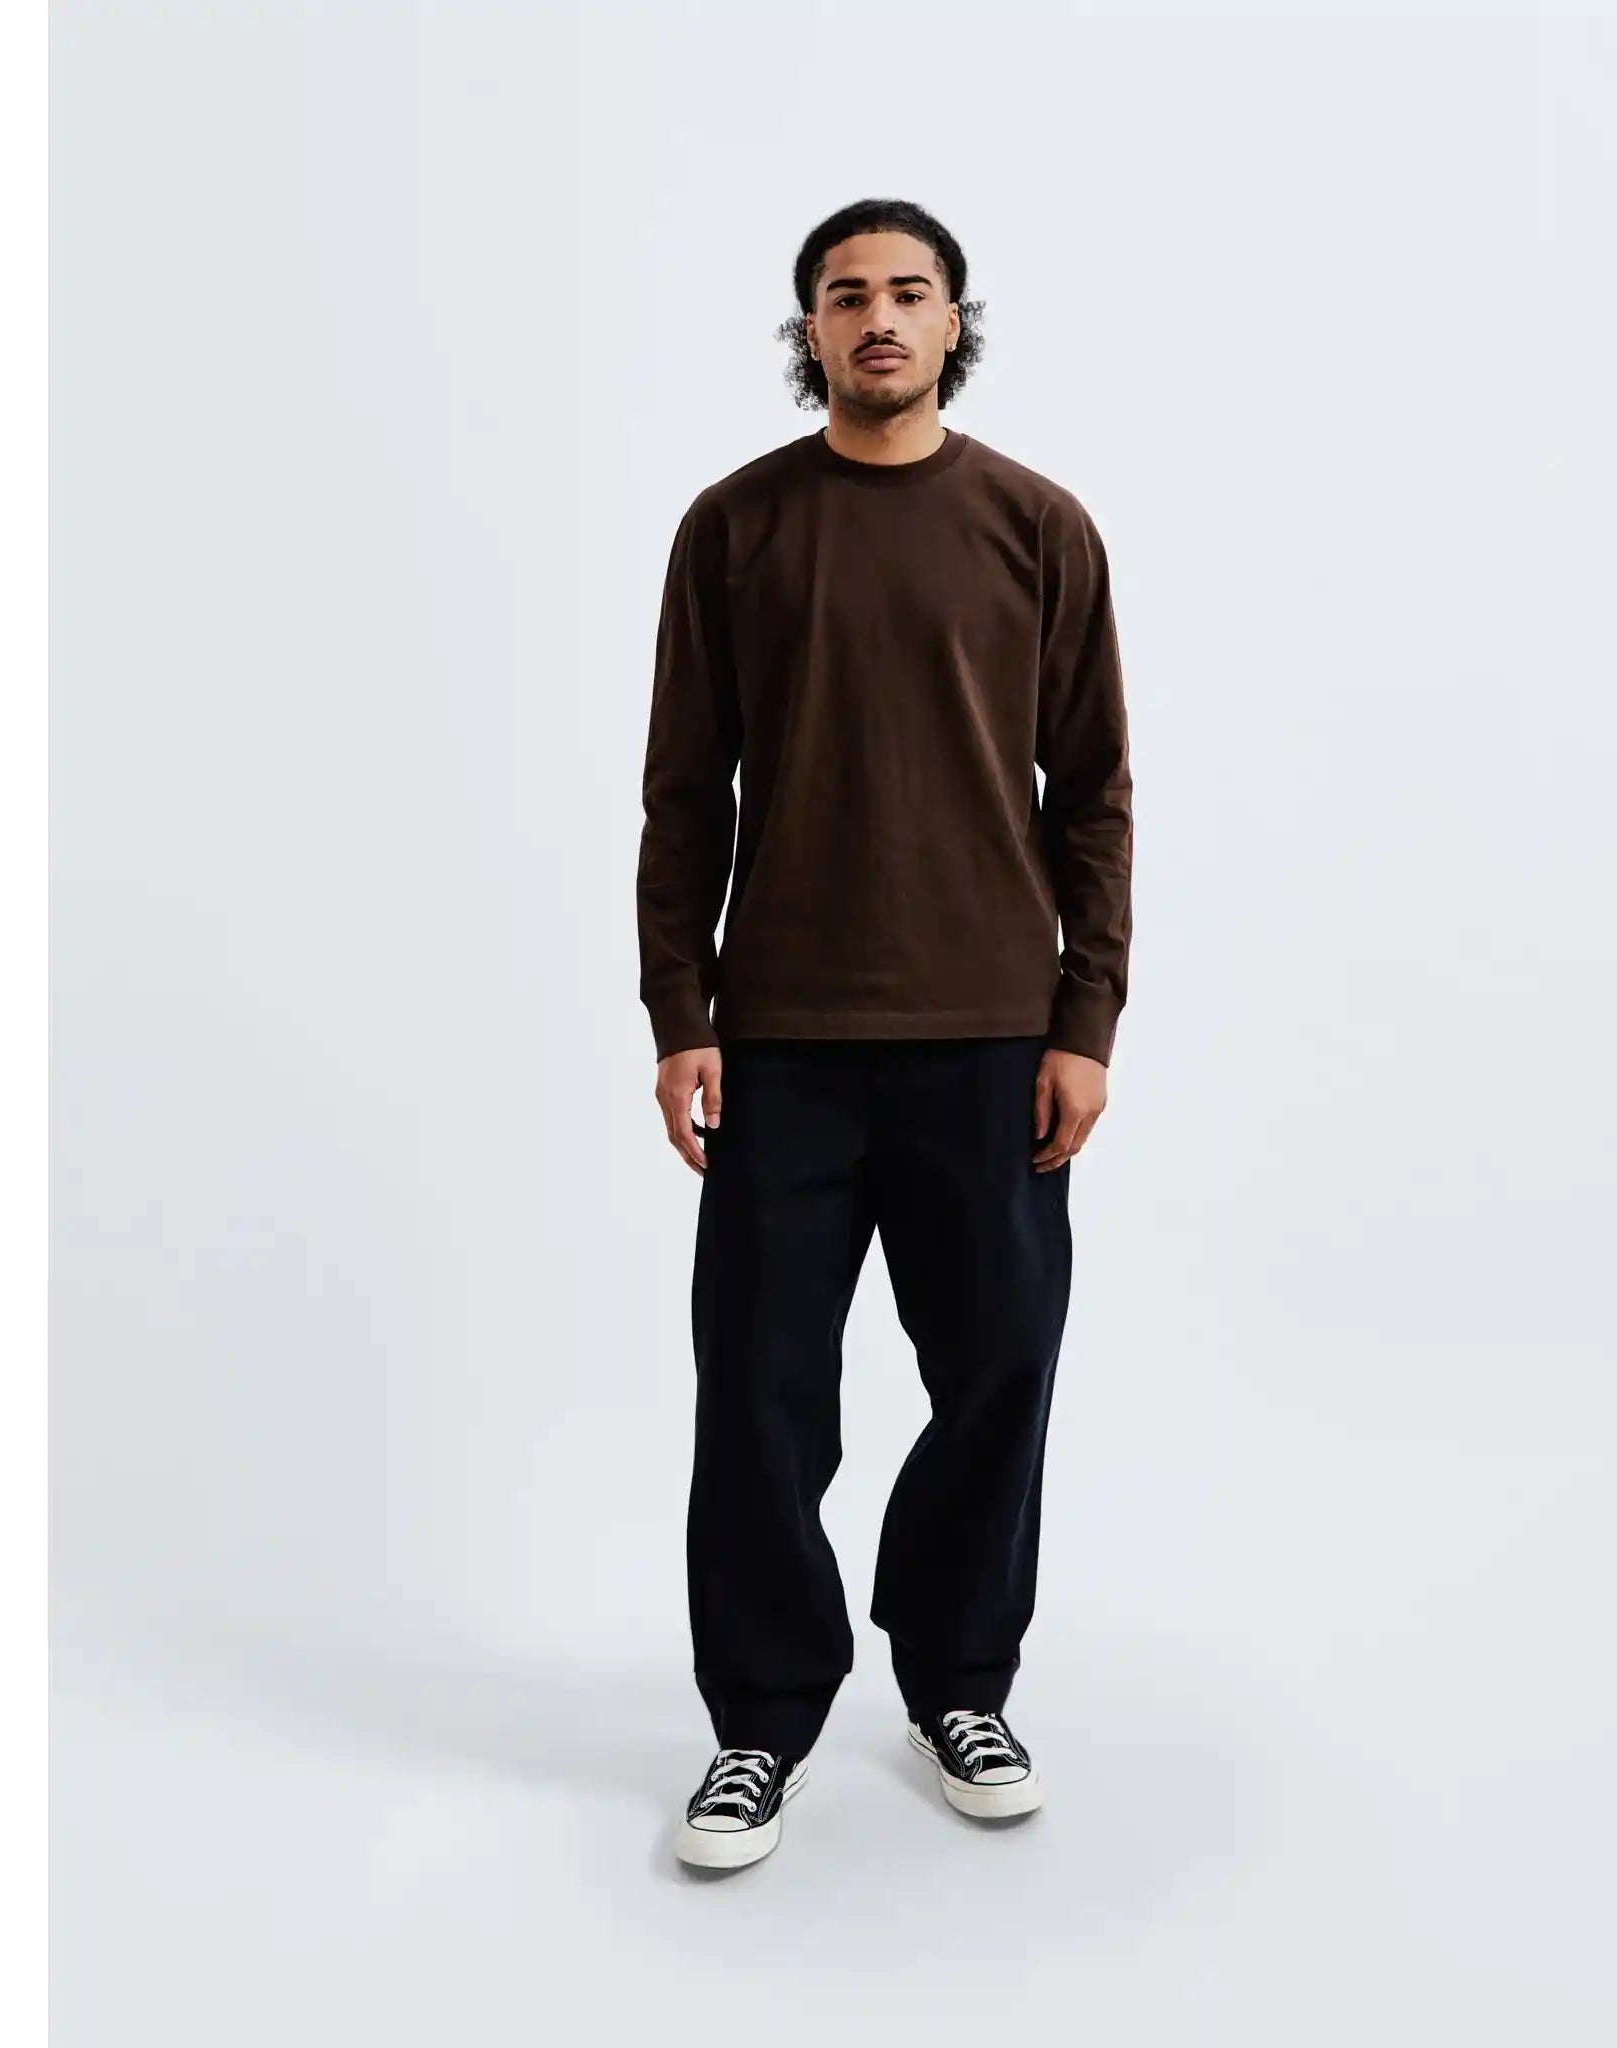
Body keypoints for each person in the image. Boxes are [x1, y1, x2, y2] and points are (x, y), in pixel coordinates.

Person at [636, 197, 1134, 1871]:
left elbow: (1096, 795)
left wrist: (1085, 1016)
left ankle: (960, 1683)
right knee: (759, 1392)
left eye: (910, 292)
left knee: (998, 1372)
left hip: (993, 1037)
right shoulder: (735, 530)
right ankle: (761, 1721)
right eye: (846, 295)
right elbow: (683, 792)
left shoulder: (1038, 527)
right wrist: (682, 1011)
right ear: (810, 331)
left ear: (952, 322)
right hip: (780, 1040)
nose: (878, 318)